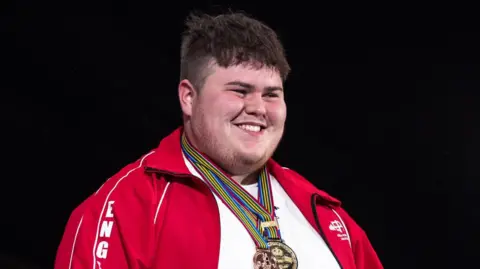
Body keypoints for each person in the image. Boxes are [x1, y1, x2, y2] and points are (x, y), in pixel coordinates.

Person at [54, 11, 383, 269]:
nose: (257, 108)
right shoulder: (127, 207)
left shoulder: (326, 214)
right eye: (239, 90)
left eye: (271, 94)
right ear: (188, 97)